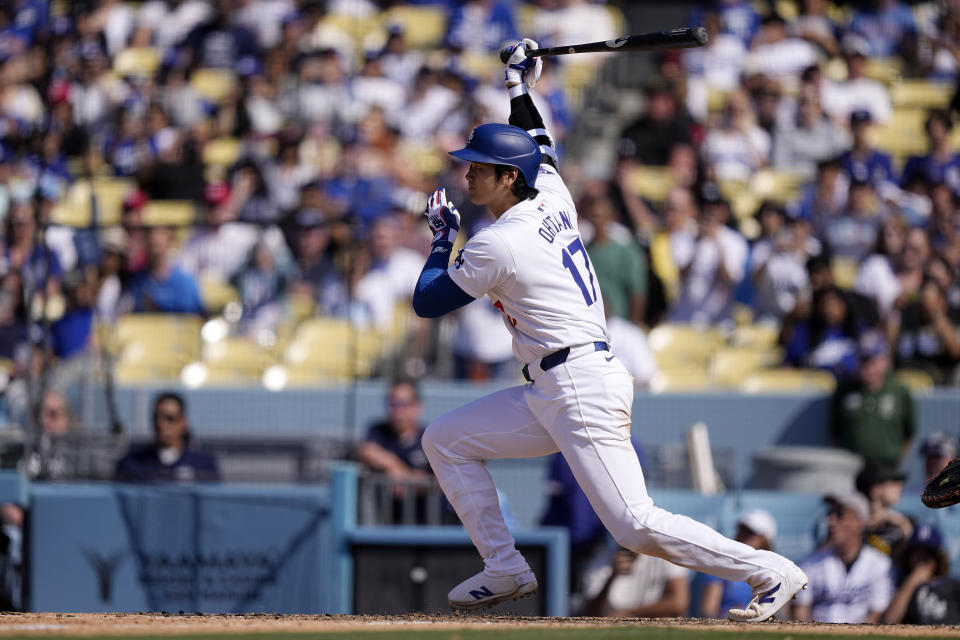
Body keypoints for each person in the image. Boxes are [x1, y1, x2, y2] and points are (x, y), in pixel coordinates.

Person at [410, 38, 807, 619]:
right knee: (444, 439)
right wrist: (519, 88)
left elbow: (427, 302)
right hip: (553, 384)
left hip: (577, 385)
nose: (467, 173)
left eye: (478, 167)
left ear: (506, 178)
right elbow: (537, 141)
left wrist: (443, 238)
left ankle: (771, 571)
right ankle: (504, 566)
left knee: (634, 526)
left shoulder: (501, 241)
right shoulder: (548, 191)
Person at [792, 492, 894, 623]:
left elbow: (877, 614)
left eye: (840, 515)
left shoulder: (880, 564)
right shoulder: (810, 563)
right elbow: (800, 611)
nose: (831, 521)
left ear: (860, 522)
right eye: (830, 514)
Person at [830, 331, 915, 466]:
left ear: (884, 361)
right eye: (862, 360)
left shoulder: (899, 391)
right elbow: (835, 432)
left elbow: (909, 433)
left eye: (870, 360)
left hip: (887, 466)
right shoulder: (844, 391)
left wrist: (897, 459)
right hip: (851, 466)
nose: (866, 366)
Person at [355, 379, 432, 523]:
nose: (398, 411)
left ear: (417, 406)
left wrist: (410, 481)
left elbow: (440, 482)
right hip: (386, 524)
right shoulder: (378, 431)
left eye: (403, 404)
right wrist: (393, 465)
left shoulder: (430, 438)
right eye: (393, 404)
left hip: (426, 525)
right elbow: (367, 451)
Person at [114, 392, 219, 483]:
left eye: (170, 418)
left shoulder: (203, 466)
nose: (161, 424)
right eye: (156, 417)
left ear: (183, 423)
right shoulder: (132, 464)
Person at [699, 509, 778, 618]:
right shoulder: (721, 564)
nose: (743, 536)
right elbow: (708, 610)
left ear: (764, 539)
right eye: (742, 530)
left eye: (750, 533)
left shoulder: (774, 571)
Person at [580, 546, 690, 618]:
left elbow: (678, 603)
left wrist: (629, 613)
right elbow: (590, 613)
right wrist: (612, 577)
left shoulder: (664, 555)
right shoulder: (600, 559)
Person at [883, 524, 960, 624]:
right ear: (908, 556)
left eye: (928, 553)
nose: (922, 558)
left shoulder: (953, 585)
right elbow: (889, 620)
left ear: (938, 558)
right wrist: (911, 582)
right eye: (917, 552)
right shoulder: (900, 583)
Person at [856, 461, 913, 557]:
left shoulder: (902, 522)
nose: (900, 485)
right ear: (875, 490)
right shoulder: (853, 520)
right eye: (893, 481)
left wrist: (905, 526)